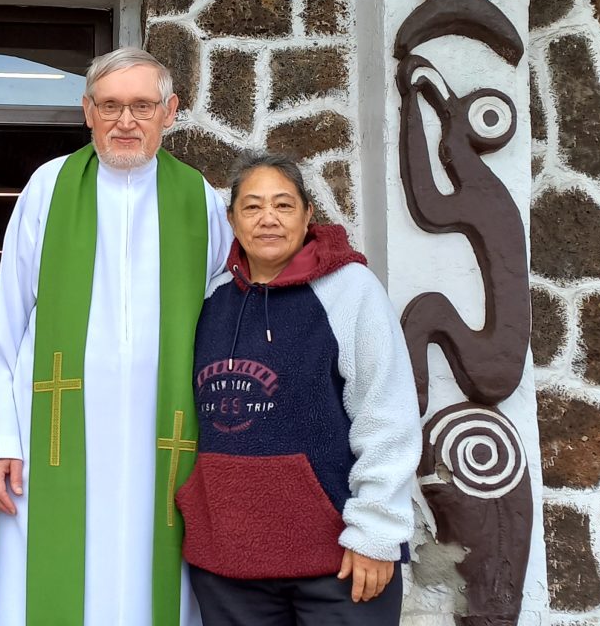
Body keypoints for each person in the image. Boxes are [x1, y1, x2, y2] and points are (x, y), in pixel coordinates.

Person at [0, 47, 232, 625]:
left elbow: (221, 323)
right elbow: (4, 320)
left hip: (165, 436)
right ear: (86, 111)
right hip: (54, 435)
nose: (126, 121)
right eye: (110, 105)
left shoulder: (201, 200)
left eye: (142, 105)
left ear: (171, 111)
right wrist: (0, 441)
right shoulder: (50, 187)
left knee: (154, 583)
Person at [176, 153, 421, 625]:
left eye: (283, 205)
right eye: (252, 207)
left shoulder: (350, 290)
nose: (268, 219)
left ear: (308, 215)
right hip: (230, 564)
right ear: (232, 219)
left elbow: (386, 413)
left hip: (339, 563)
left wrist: (375, 532)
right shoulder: (208, 297)